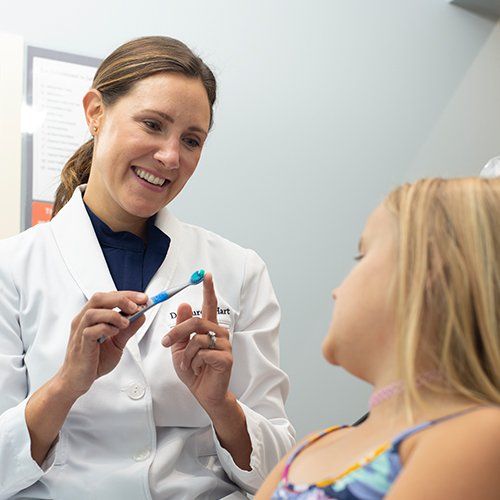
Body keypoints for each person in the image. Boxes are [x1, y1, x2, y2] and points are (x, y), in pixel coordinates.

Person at [0, 36, 295, 500]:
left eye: (191, 140)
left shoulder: (239, 271)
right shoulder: (11, 269)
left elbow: (278, 470)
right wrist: (64, 386)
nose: (171, 157)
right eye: (152, 124)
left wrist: (221, 406)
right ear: (95, 111)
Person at [256, 177, 500, 499]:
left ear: (427, 270)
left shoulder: (478, 434)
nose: (336, 290)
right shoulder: (310, 448)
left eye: (362, 255)